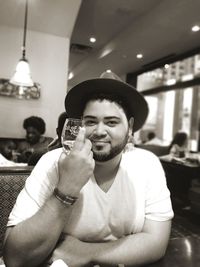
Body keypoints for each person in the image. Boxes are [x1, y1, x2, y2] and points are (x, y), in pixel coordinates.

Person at [3, 72, 174, 267]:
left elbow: (156, 242)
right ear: (80, 125)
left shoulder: (147, 164)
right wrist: (66, 189)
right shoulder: (51, 162)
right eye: (91, 121)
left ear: (130, 127)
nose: (99, 132)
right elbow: (15, 258)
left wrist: (83, 252)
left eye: (111, 122)